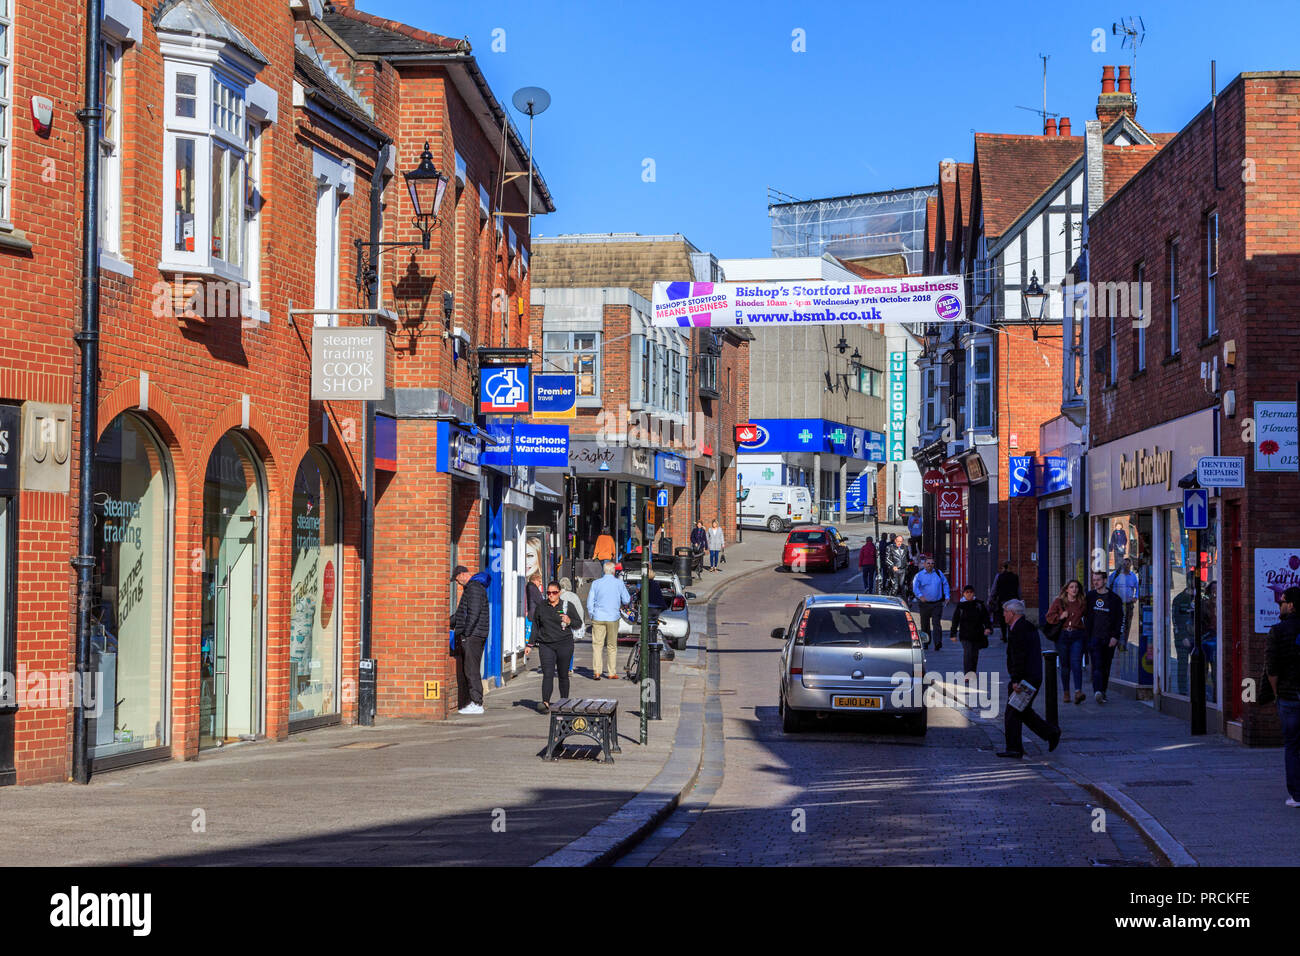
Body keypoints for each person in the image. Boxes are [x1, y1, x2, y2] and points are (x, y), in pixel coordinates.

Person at [998, 599, 1061, 758]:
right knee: (1022, 711)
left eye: (1005, 612)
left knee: (1012, 712)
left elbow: (1019, 657)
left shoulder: (1019, 630)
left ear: (1012, 613)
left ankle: (1014, 748)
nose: (1003, 615)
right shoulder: (1023, 626)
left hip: (1026, 678)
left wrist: (1016, 680)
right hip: (1031, 676)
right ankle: (1050, 733)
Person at [1266, 586, 1300, 808]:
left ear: (1292, 605)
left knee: (1293, 746)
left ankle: (1296, 795)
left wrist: (1276, 693)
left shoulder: (1278, 631)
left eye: (1283, 601)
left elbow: (1272, 669)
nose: (1280, 605)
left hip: (1289, 696)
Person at [530, 580, 584, 713]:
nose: (551, 596)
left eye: (554, 593)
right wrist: (529, 644)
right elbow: (536, 626)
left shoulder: (567, 606)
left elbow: (578, 623)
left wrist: (569, 620)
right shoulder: (541, 606)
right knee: (547, 674)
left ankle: (564, 702)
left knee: (563, 675)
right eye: (548, 593)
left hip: (564, 644)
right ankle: (545, 703)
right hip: (546, 645)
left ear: (559, 593)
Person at [449, 565, 489, 715]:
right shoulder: (473, 588)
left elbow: (473, 614)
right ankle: (474, 701)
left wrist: (466, 634)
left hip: (473, 636)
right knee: (470, 668)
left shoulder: (474, 588)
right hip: (475, 634)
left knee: (471, 669)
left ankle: (477, 703)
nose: (458, 583)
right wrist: (447, 622)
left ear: (462, 574)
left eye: (458, 579)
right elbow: (461, 614)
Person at [1084, 570, 1124, 703]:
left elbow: (1119, 619)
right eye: (1094, 580)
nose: (1095, 582)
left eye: (1098, 580)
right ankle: (1097, 691)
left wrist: (1115, 636)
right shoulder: (1089, 597)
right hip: (1094, 637)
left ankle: (1103, 691)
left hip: (1109, 638)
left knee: (1106, 666)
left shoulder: (1115, 599)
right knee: (1096, 665)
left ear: (1105, 580)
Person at [586, 561, 631, 681]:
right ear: (614, 571)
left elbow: (590, 602)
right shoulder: (619, 583)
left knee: (597, 645)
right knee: (612, 646)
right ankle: (611, 672)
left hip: (598, 617)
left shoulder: (596, 583)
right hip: (613, 617)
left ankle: (597, 672)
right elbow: (626, 600)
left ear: (604, 571)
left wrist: (592, 614)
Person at [1046, 579, 1087, 705]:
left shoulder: (1082, 602)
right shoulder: (1059, 602)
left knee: (1076, 663)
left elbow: (1088, 616)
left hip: (1077, 634)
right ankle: (1066, 692)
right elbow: (1049, 617)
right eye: (1071, 587)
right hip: (1063, 635)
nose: (1074, 589)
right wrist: (1060, 617)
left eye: (1076, 587)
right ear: (1067, 589)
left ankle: (1078, 691)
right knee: (1065, 665)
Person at [950, 584, 992, 678]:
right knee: (968, 653)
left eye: (971, 592)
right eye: (967, 592)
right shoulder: (961, 606)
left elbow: (986, 617)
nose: (969, 594)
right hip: (965, 634)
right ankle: (967, 673)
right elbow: (955, 620)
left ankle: (973, 672)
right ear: (963, 594)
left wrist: (988, 628)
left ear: (974, 593)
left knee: (974, 655)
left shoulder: (979, 604)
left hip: (977, 634)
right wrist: (953, 634)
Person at [912, 556, 951, 650]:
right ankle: (926, 642)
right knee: (925, 625)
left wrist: (947, 596)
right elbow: (915, 587)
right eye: (928, 563)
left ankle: (938, 643)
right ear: (924, 564)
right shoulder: (919, 575)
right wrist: (920, 596)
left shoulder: (938, 573)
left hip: (937, 603)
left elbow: (945, 584)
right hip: (924, 604)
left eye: (932, 563)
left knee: (936, 623)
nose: (930, 565)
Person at [1108, 559, 1140, 646]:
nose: (1126, 566)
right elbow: (1108, 585)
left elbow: (1138, 588)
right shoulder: (1115, 575)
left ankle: (1123, 643)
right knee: (1116, 623)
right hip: (1116, 604)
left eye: (1128, 564)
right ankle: (1115, 641)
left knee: (1127, 624)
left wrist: (1135, 597)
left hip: (1128, 604)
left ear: (1130, 566)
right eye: (1124, 564)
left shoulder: (1133, 576)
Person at [989, 562, 1021, 643]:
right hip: (1013, 601)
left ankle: (1004, 635)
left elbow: (994, 589)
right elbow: (1018, 590)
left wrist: (991, 599)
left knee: (1002, 619)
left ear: (1004, 568)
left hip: (1002, 601)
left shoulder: (999, 577)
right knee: (1013, 618)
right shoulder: (1015, 577)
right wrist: (1019, 600)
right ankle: (1011, 634)